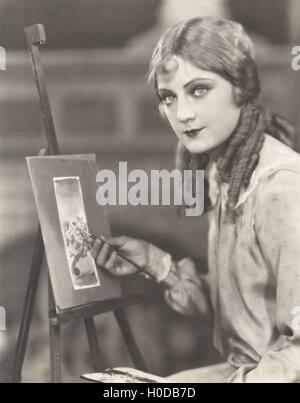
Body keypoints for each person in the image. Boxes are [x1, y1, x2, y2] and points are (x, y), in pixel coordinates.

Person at [91, 16, 300, 383]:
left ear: (240, 87)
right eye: (169, 97)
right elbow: (244, 313)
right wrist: (158, 265)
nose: (182, 114)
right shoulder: (222, 173)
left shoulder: (281, 188)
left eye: (199, 90)